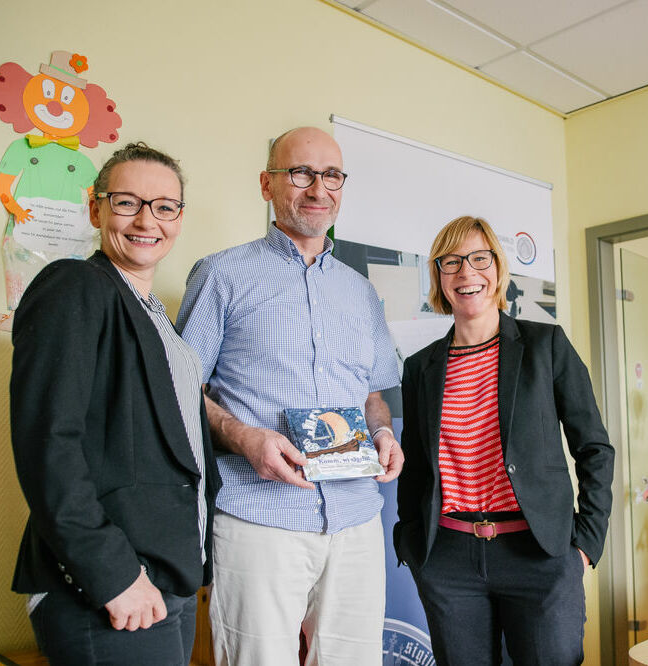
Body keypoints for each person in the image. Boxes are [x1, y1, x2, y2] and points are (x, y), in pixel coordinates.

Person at [176, 126, 402, 665]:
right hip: (259, 515)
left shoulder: (360, 291)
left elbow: (371, 392)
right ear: (267, 184)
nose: (317, 188)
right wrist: (244, 436)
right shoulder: (221, 274)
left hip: (354, 516)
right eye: (300, 173)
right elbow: (179, 388)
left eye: (331, 176)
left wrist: (383, 431)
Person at [9, 142, 221, 666]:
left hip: (167, 575)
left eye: (164, 206)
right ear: (94, 207)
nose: (147, 219)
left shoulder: (154, 316)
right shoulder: (75, 286)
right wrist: (113, 575)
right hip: (107, 584)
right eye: (127, 202)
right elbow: (48, 445)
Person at [394, 216, 615, 666]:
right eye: (451, 262)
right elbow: (416, 465)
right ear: (438, 277)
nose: (466, 273)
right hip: (450, 560)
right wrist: (415, 546)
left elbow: (593, 447)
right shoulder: (421, 367)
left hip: (539, 554)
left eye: (479, 258)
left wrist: (586, 545)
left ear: (498, 269)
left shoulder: (545, 346)